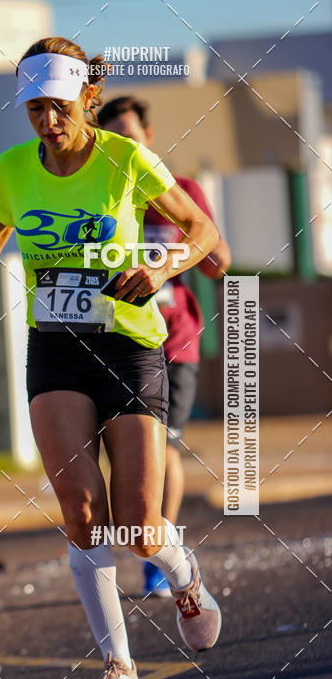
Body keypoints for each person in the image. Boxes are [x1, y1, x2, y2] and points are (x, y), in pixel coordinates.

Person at [0, 37, 222, 679]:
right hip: (55, 350)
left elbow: (202, 231)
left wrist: (162, 267)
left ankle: (185, 577)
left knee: (139, 528)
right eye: (34, 109)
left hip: (129, 346)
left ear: (87, 98)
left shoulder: (125, 159)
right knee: (81, 513)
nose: (48, 121)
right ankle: (119, 669)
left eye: (59, 106)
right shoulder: (13, 168)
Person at [98, 96, 231, 598]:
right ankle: (147, 539)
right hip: (116, 340)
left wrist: (200, 255)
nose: (125, 147)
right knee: (126, 456)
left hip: (174, 341)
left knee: (165, 447)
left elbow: (217, 256)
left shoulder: (182, 191)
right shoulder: (103, 194)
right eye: (115, 139)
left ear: (148, 137)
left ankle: (159, 553)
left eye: (131, 137)